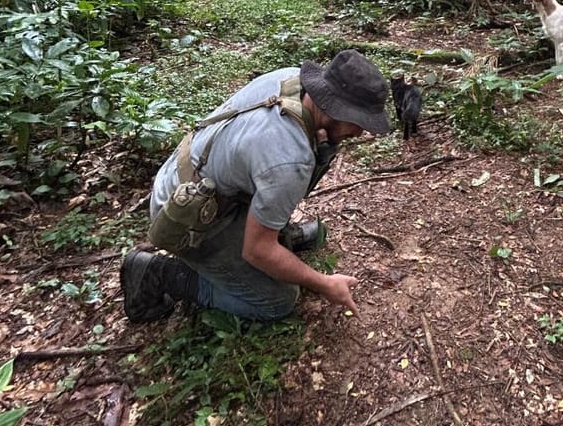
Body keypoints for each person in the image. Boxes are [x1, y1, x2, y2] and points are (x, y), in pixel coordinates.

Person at [120, 49, 391, 324]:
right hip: (186, 215)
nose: (359, 133)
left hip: (186, 173)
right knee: (276, 301)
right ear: (333, 108)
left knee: (273, 202)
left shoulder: (291, 81)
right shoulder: (289, 160)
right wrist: (324, 283)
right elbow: (256, 251)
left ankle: (275, 235)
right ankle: (158, 272)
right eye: (357, 121)